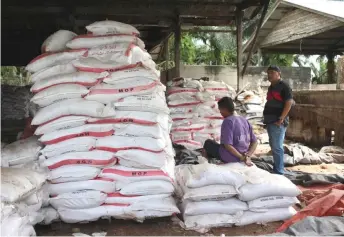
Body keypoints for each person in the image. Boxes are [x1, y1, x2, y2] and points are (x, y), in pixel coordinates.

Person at [203, 96, 258, 166]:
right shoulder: (244, 120)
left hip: (230, 157)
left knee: (208, 143)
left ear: (224, 109)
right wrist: (248, 156)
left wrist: (241, 158)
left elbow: (228, 145)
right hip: (243, 154)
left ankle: (207, 162)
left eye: (220, 110)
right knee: (215, 143)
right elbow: (255, 142)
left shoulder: (228, 121)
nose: (220, 112)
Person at [263, 65, 293, 175]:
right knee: (273, 145)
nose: (269, 75)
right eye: (268, 73)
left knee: (277, 147)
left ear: (278, 73)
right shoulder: (271, 87)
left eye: (272, 72)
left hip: (278, 121)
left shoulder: (284, 86)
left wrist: (281, 118)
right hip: (271, 121)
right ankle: (277, 168)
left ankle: (279, 171)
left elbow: (289, 102)